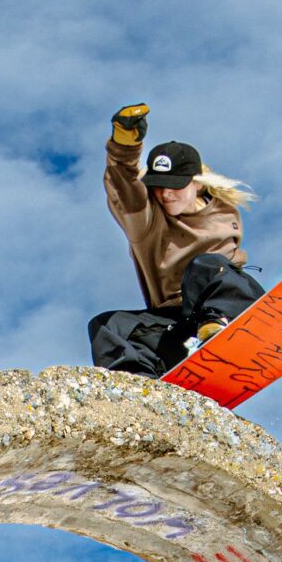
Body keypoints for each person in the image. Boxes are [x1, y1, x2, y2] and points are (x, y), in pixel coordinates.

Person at [89, 102, 265, 377]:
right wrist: (124, 146)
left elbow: (227, 271)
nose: (166, 194)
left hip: (235, 306)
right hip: (180, 328)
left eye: (175, 186)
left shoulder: (223, 212)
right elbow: (123, 184)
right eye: (158, 187)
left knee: (206, 266)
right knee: (109, 325)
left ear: (197, 183)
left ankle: (220, 327)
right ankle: (137, 384)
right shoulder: (147, 221)